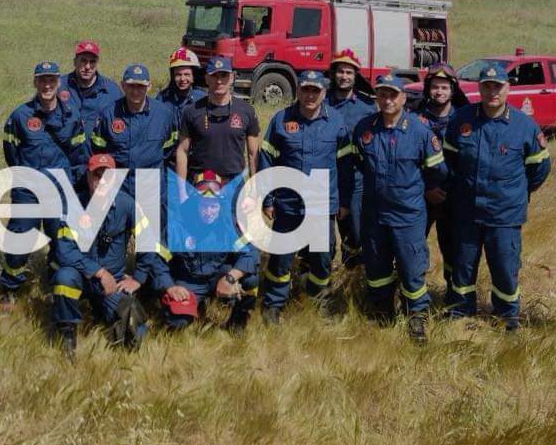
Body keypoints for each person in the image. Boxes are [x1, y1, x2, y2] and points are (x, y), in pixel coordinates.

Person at [442, 62, 550, 329]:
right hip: (467, 210)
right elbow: (449, 160)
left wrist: (518, 192)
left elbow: (539, 167)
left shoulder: (524, 126)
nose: (492, 92)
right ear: (479, 88)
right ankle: (461, 311)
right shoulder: (461, 119)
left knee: (504, 266)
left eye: (498, 87)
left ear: (507, 89)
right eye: (487, 86)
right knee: (463, 265)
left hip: (504, 213)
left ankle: (506, 315)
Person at [350, 74, 447, 342]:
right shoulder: (364, 129)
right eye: (382, 94)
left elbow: (438, 170)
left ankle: (416, 317)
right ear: (377, 97)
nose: (387, 99)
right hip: (374, 215)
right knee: (377, 268)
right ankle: (382, 313)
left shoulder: (420, 132)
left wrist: (427, 190)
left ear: (403, 98)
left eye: (393, 94)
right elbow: (357, 164)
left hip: (408, 216)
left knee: (411, 268)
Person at [256, 69, 352, 322]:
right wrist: (267, 199)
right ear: (298, 90)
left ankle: (317, 301)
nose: (310, 95)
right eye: (305, 89)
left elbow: (345, 166)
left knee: (321, 259)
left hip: (321, 206)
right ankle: (273, 304)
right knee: (280, 259)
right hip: (287, 204)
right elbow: (266, 159)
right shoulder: (280, 119)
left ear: (323, 92)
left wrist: (344, 202)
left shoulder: (336, 122)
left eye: (315, 90)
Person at [49, 154, 156, 359]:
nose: (101, 182)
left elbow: (147, 239)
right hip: (82, 276)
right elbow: (64, 251)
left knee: (133, 324)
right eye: (97, 176)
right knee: (64, 278)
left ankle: (107, 319)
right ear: (88, 177)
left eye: (107, 177)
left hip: (113, 284)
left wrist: (139, 277)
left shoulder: (127, 204)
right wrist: (98, 272)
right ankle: (67, 335)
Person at [0, 60, 86, 302]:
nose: (47, 84)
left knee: (61, 240)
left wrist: (71, 184)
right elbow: (10, 151)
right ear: (35, 82)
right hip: (28, 190)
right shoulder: (20, 115)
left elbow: (79, 154)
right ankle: (10, 287)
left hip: (59, 189)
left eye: (51, 80)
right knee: (20, 237)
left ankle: (54, 284)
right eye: (42, 80)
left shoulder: (71, 115)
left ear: (58, 82)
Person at [151, 177, 260, 332]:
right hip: (189, 281)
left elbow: (251, 253)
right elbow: (157, 260)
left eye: (213, 206)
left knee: (251, 279)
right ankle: (195, 306)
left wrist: (230, 278)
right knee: (177, 323)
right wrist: (170, 287)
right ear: (196, 203)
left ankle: (237, 320)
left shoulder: (228, 222)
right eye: (204, 206)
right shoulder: (179, 224)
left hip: (217, 276)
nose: (209, 212)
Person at [411, 63, 469, 290]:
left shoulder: (466, 119)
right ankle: (413, 293)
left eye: (444, 87)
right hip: (421, 196)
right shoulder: (414, 119)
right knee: (413, 247)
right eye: (435, 87)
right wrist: (427, 188)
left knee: (454, 249)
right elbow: (408, 161)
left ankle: (454, 298)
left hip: (454, 198)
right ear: (427, 89)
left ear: (453, 89)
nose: (439, 92)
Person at [89, 63, 177, 199]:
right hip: (118, 185)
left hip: (150, 186)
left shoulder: (164, 114)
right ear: (123, 86)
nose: (135, 91)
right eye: (131, 86)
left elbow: (169, 148)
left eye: (141, 86)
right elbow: (98, 148)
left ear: (149, 86)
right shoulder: (109, 114)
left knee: (150, 221)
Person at [174, 56, 260, 186]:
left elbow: (253, 154)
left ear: (232, 77)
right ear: (207, 78)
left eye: (224, 75)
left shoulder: (247, 111)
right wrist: (181, 191)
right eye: (214, 76)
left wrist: (255, 189)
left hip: (233, 184)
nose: (219, 81)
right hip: (201, 183)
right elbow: (182, 151)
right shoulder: (192, 111)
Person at [327, 49, 375, 268]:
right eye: (340, 72)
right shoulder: (321, 100)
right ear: (333, 74)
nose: (344, 76)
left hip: (355, 179)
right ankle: (320, 282)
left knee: (355, 232)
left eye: (348, 72)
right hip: (324, 178)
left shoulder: (367, 107)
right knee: (321, 239)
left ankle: (351, 276)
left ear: (356, 76)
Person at [60, 40, 122, 180]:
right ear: (75, 61)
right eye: (83, 61)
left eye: (92, 61)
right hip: (65, 166)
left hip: (98, 169)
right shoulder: (59, 87)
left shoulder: (112, 91)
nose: (87, 66)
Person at [158, 47, 205, 169]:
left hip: (196, 163)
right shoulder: (161, 99)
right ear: (172, 76)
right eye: (178, 75)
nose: (183, 79)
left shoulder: (203, 99)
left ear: (193, 76)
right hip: (168, 162)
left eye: (187, 74)